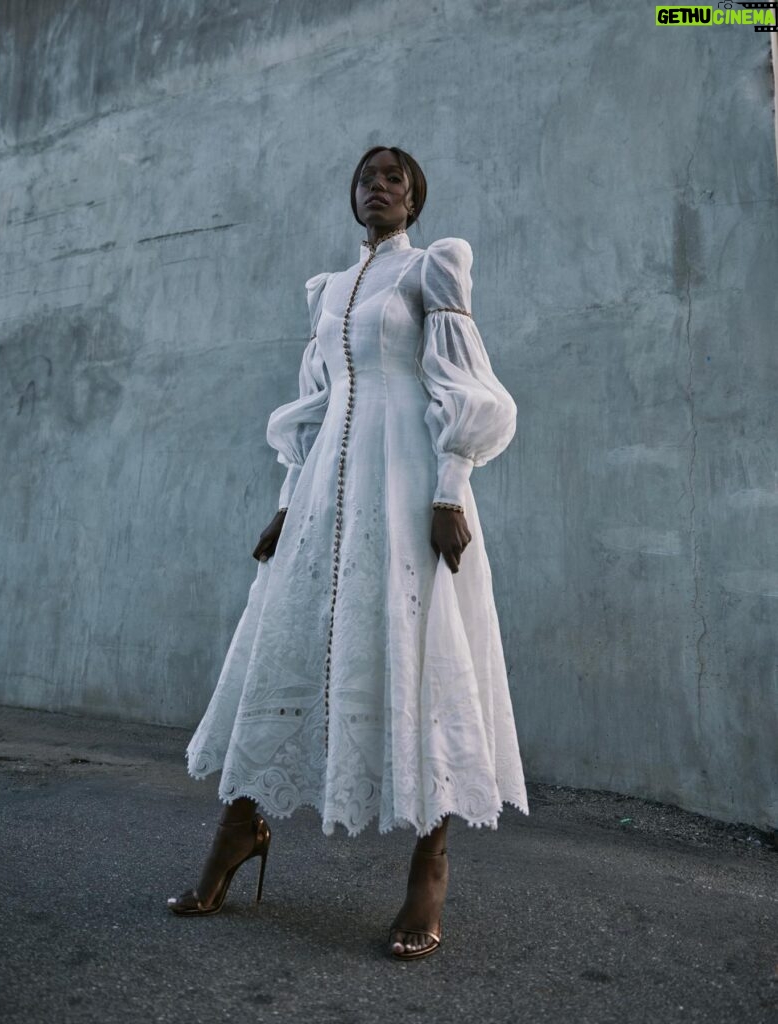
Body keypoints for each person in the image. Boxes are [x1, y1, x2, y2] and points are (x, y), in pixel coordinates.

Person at [166, 145, 529, 960]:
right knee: (287, 642)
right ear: (352, 197)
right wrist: (285, 503)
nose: (380, 187)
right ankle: (238, 830)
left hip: (408, 483)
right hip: (326, 484)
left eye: (394, 178)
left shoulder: (433, 268)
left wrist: (447, 489)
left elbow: (463, 385)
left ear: (415, 197)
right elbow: (315, 401)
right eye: (367, 178)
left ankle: (428, 867)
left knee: (419, 644)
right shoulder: (326, 291)